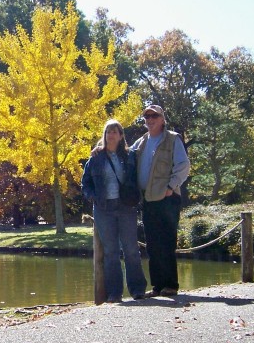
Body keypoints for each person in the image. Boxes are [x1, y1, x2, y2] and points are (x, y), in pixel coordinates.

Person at [81, 119, 147, 303]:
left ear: (120, 135)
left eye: (115, 132)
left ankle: (137, 290)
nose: (111, 135)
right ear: (104, 134)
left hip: (126, 207)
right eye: (108, 131)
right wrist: (93, 197)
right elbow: (85, 183)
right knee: (111, 252)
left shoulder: (129, 155)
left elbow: (136, 176)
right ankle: (115, 293)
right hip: (104, 209)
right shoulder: (95, 158)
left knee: (131, 249)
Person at [131, 105, 190, 297]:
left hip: (167, 198)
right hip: (148, 199)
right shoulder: (141, 142)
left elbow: (183, 165)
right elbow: (123, 153)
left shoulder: (172, 139)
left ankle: (171, 285)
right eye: (147, 116)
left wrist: (170, 187)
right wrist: (101, 147)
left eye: (154, 115)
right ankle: (157, 286)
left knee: (166, 241)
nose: (150, 119)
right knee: (153, 244)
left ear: (162, 119)